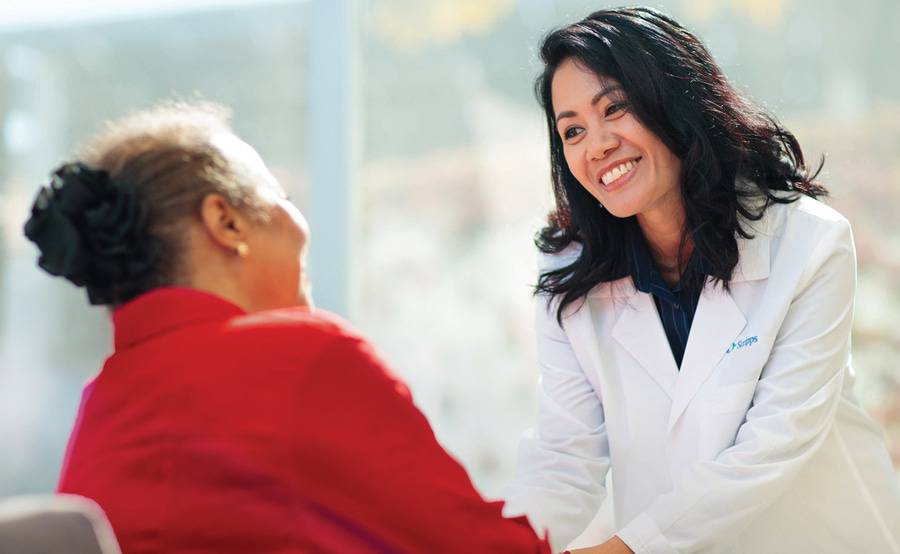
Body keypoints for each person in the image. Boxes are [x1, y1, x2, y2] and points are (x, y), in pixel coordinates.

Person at [24, 103, 551, 553]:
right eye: (282, 199)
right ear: (226, 222)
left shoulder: (101, 408)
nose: (301, 226)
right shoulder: (302, 356)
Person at [502, 7, 900, 554]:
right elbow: (564, 458)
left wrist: (623, 549)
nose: (596, 146)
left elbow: (772, 447)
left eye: (615, 108)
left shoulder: (809, 243)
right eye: (572, 130)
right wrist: (501, 545)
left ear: (674, 99)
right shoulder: (569, 275)